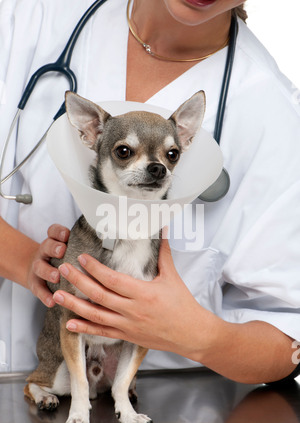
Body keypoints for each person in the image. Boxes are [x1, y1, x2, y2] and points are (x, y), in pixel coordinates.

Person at [0, 0, 299, 384]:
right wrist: (27, 262)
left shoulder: (276, 119)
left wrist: (200, 337)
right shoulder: (29, 20)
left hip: (173, 412)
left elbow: (289, 343)